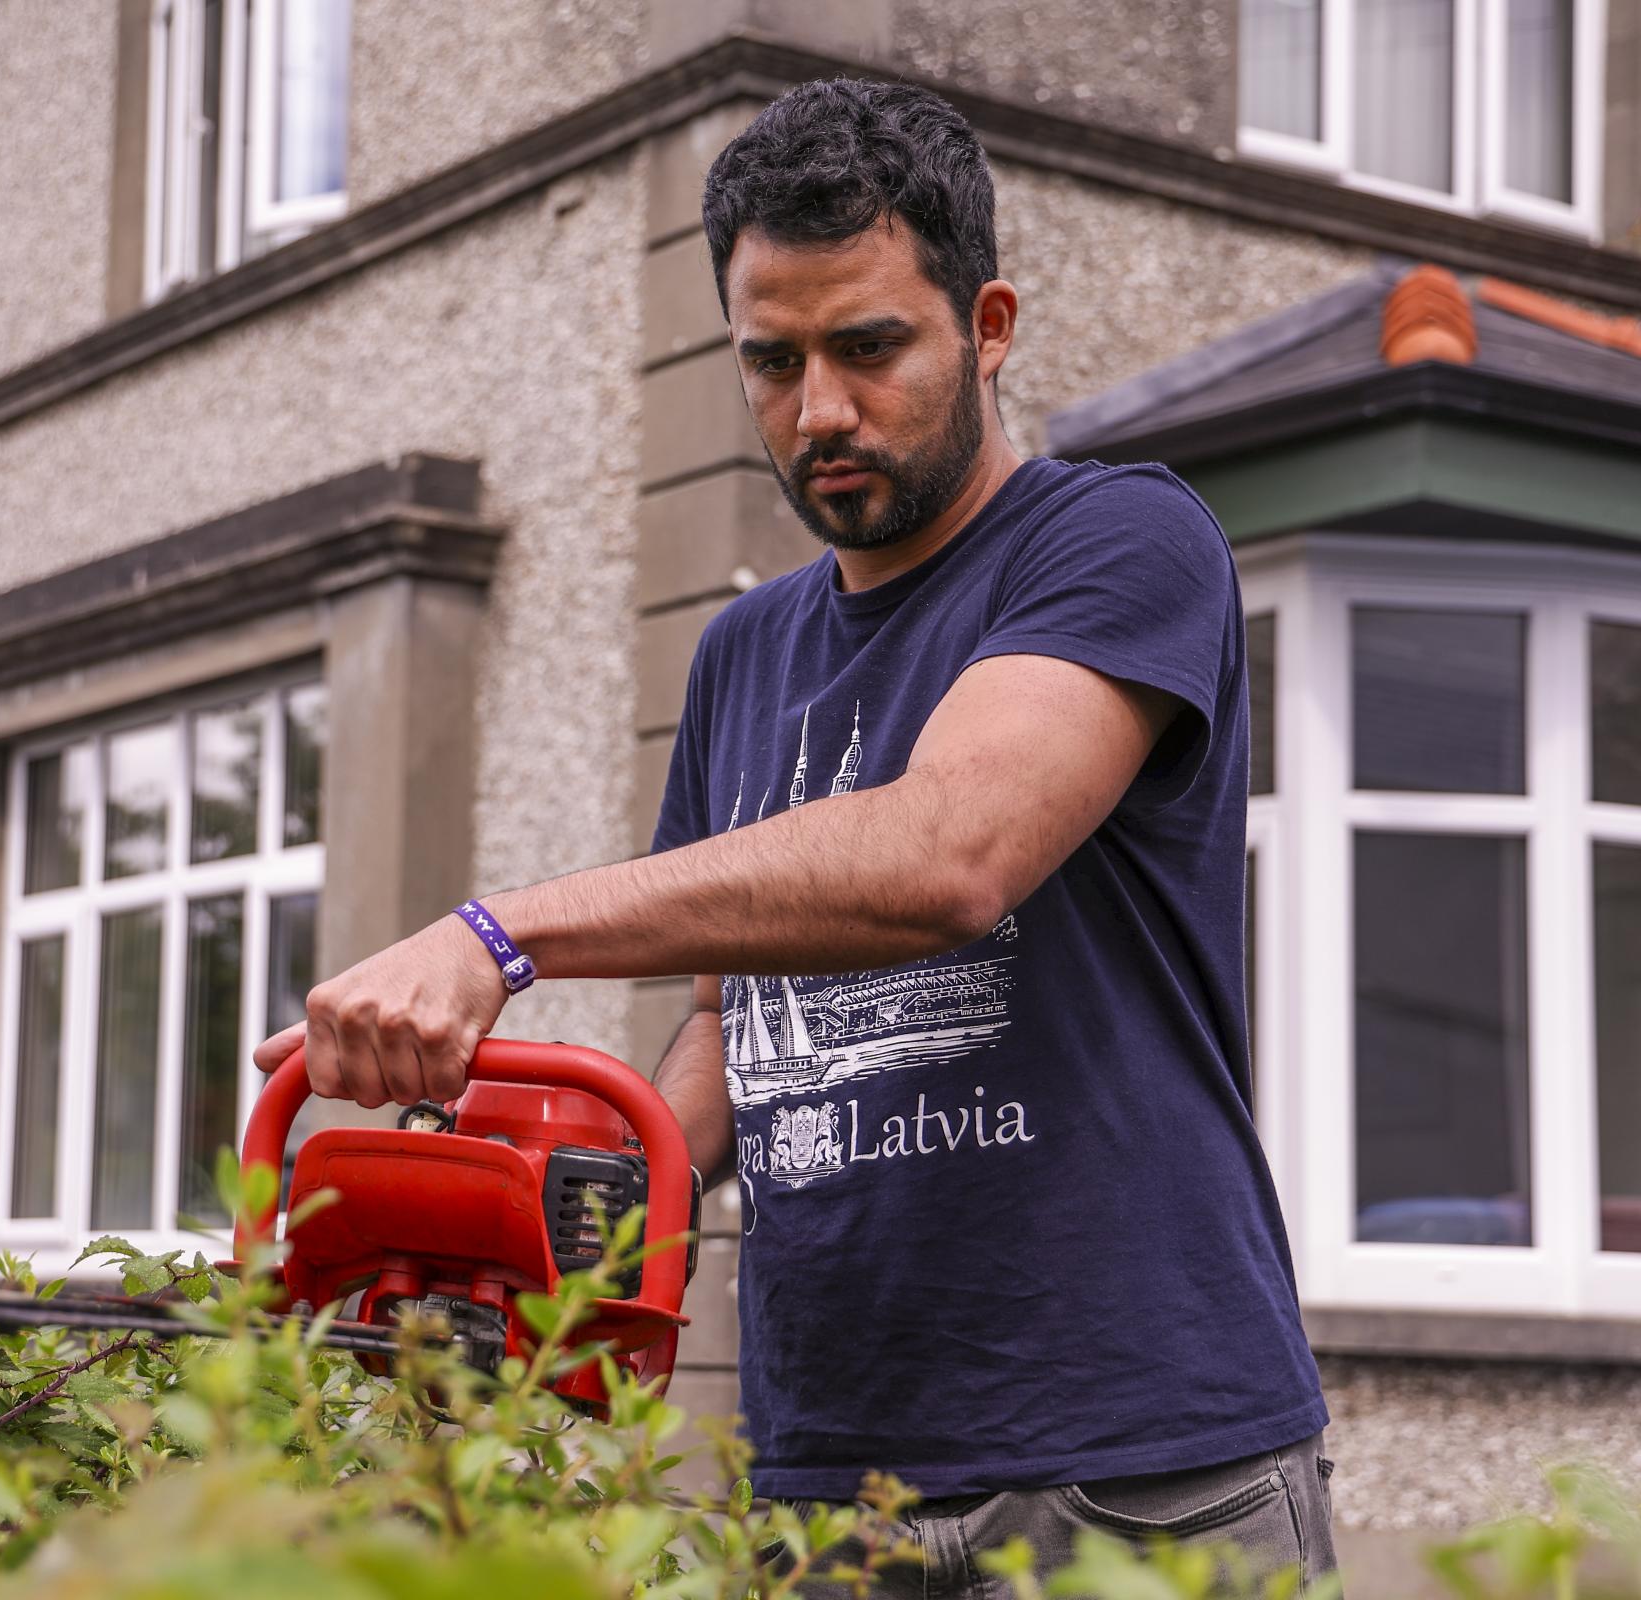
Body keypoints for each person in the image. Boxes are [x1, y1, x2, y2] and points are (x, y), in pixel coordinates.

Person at [252, 77, 1334, 1595]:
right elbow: (732, 1031)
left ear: (990, 325)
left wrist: (502, 936)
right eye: (771, 361)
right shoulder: (744, 652)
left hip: (1136, 1463)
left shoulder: (1121, 541)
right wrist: (558, 1241)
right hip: (833, 1474)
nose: (817, 408)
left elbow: (947, 860)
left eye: (868, 347)